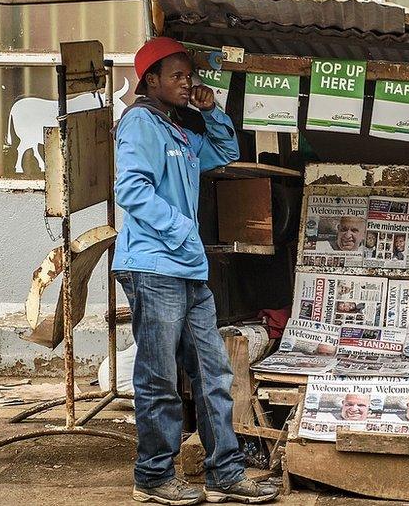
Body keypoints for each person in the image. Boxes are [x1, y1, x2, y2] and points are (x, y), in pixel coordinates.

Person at [113, 37, 277, 505]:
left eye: (191, 76)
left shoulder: (180, 131)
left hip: (187, 269)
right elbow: (132, 190)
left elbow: (223, 152)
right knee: (159, 378)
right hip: (154, 266)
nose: (188, 83)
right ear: (151, 81)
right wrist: (183, 230)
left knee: (212, 373)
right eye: (178, 77)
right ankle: (153, 476)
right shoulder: (140, 124)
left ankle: (225, 472)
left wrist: (210, 110)